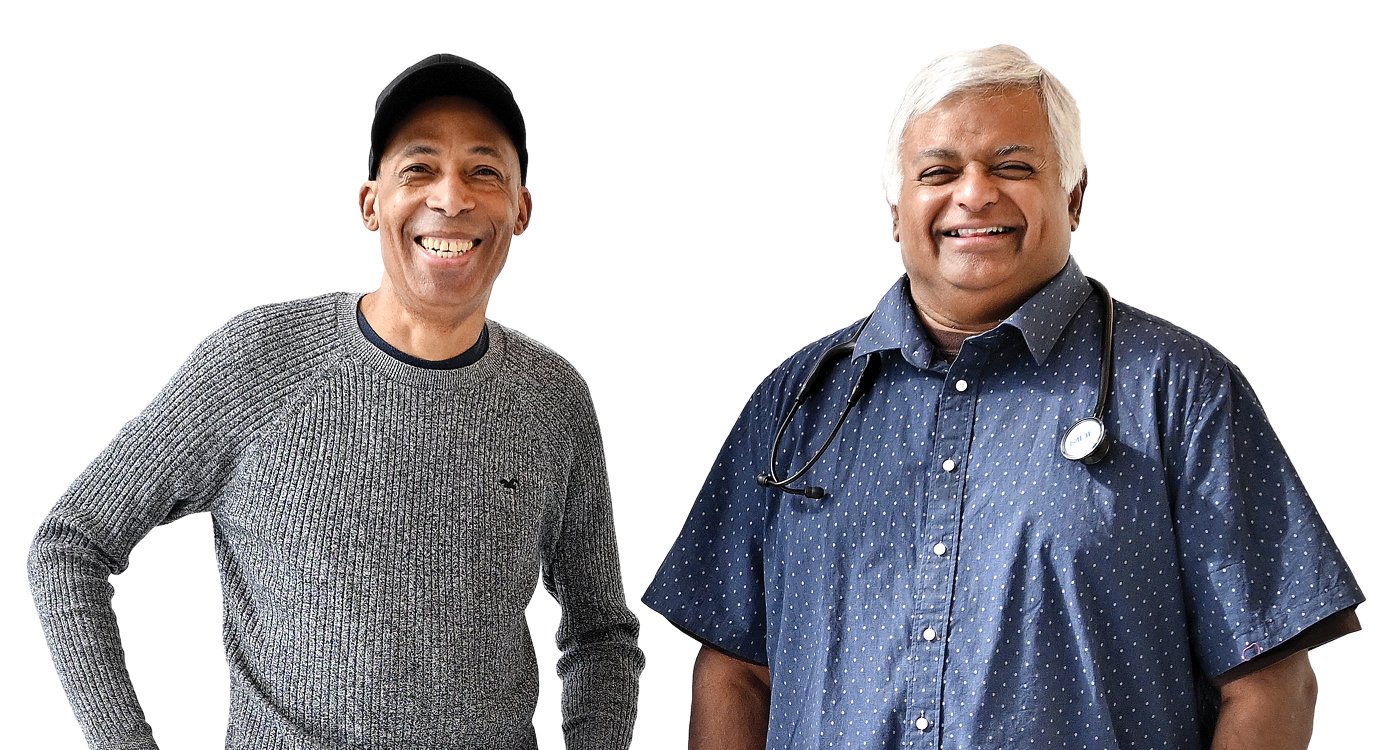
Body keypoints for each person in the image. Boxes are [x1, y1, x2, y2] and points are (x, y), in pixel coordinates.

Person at [643, 45, 1363, 750]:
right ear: (897, 209)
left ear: (1074, 197)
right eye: (939, 171)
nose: (975, 193)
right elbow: (736, 673)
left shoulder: (1181, 392)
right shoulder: (798, 403)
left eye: (1013, 167)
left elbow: (1270, 683)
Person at [28, 53, 643, 749]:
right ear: (370, 202)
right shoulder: (258, 361)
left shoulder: (551, 399)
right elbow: (70, 545)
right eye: (418, 168)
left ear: (520, 210)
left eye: (484, 171)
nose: (451, 197)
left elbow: (601, 634)